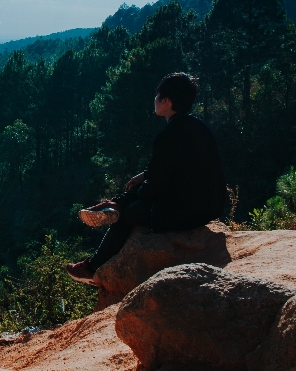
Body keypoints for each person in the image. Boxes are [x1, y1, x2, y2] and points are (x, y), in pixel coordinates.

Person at [66, 72, 227, 284]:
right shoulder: (199, 127)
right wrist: (145, 176)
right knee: (138, 188)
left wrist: (135, 195)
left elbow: (154, 188)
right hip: (210, 207)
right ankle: (114, 205)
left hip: (187, 213)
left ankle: (93, 266)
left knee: (129, 214)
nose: (155, 99)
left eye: (158, 95)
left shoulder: (169, 135)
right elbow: (183, 167)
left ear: (167, 101)